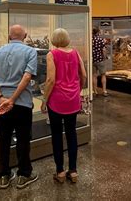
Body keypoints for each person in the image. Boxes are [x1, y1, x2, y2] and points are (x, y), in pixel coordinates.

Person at [0, 24, 39, 189]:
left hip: (1, 105)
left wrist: (1, 98)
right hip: (22, 103)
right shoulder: (30, 52)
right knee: (23, 139)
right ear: (25, 35)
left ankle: (4, 175)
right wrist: (13, 99)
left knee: (4, 139)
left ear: (9, 37)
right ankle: (24, 174)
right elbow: (27, 76)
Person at [41, 28, 87, 183]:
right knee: (71, 134)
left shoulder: (51, 54)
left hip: (56, 100)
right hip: (73, 99)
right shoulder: (75, 53)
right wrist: (78, 89)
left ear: (53, 39)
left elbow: (51, 80)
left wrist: (44, 100)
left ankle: (60, 171)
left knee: (56, 135)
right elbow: (84, 75)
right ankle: (73, 171)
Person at [92, 27, 108, 96]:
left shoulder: (90, 40)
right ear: (98, 32)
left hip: (92, 60)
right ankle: (104, 91)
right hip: (100, 60)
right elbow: (104, 50)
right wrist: (104, 58)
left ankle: (95, 91)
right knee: (103, 75)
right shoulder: (101, 40)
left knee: (94, 76)